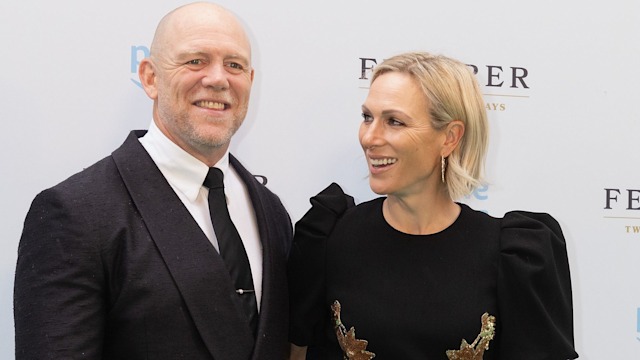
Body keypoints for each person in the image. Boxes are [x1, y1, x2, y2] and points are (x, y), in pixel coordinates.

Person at [14, 3, 292, 359]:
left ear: (250, 82)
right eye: (195, 60)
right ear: (149, 77)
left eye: (234, 65)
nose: (218, 79)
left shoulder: (271, 212)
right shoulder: (75, 215)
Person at [288, 52, 578, 359]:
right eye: (367, 117)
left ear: (450, 137)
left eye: (394, 121)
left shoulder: (516, 254)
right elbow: (294, 350)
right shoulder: (328, 236)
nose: (370, 137)